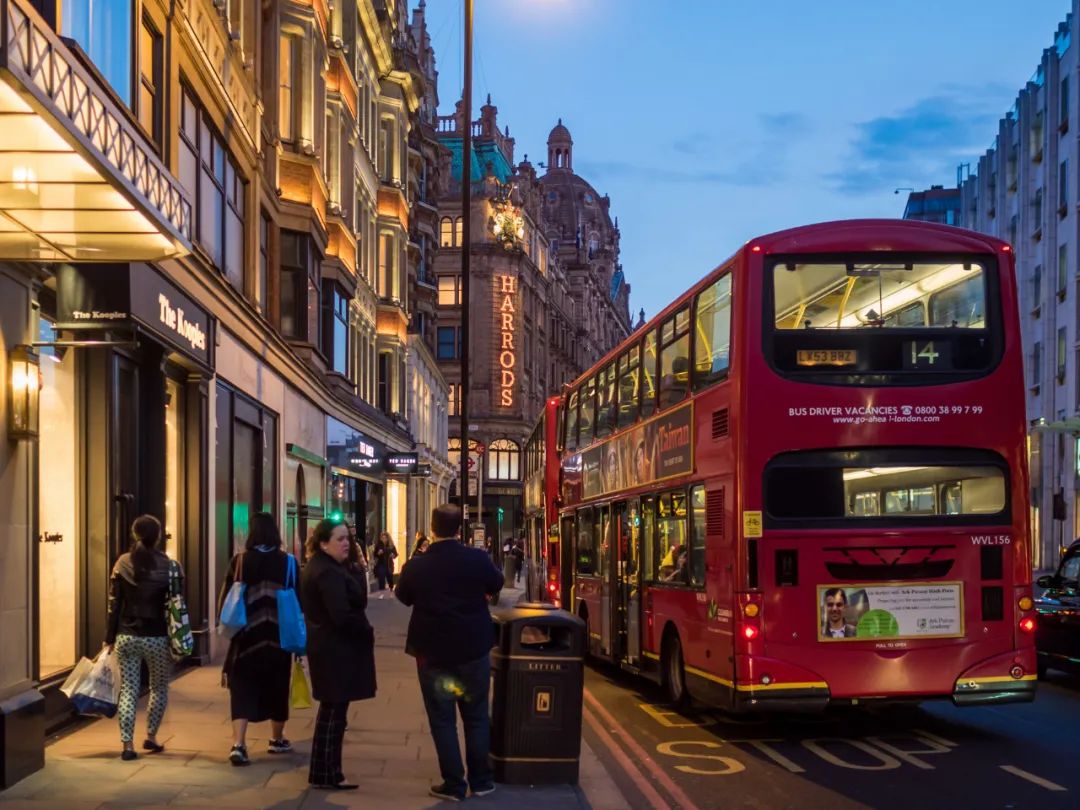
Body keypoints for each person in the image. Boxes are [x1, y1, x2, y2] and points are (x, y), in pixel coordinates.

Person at [395, 504, 504, 801]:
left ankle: (454, 784)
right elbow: (497, 583)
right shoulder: (477, 559)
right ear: (460, 529)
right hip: (474, 652)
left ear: (432, 528)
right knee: (477, 716)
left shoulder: (417, 565)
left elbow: (402, 597)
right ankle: (481, 781)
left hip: (433, 656)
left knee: (442, 719)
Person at [300, 518, 377, 790]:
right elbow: (342, 615)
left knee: (331, 711)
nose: (346, 543)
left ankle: (325, 772)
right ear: (323, 543)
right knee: (334, 713)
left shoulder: (324, 567)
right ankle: (328, 772)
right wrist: (366, 631)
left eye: (348, 538)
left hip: (327, 647)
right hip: (335, 650)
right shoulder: (328, 572)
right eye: (340, 539)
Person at [219, 512, 294, 765]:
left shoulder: (239, 561)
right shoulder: (288, 563)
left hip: (245, 638)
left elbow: (225, 600)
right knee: (278, 687)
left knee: (241, 690)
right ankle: (277, 739)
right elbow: (299, 601)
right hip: (278, 638)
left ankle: (238, 744)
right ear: (275, 532)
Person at [105, 515, 177, 761]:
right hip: (157, 637)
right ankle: (152, 737)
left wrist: (108, 637)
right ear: (157, 536)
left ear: (135, 534)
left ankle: (127, 745)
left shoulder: (122, 563)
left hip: (126, 635)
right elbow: (175, 605)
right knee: (159, 687)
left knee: (129, 690)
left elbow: (114, 604)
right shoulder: (167, 565)